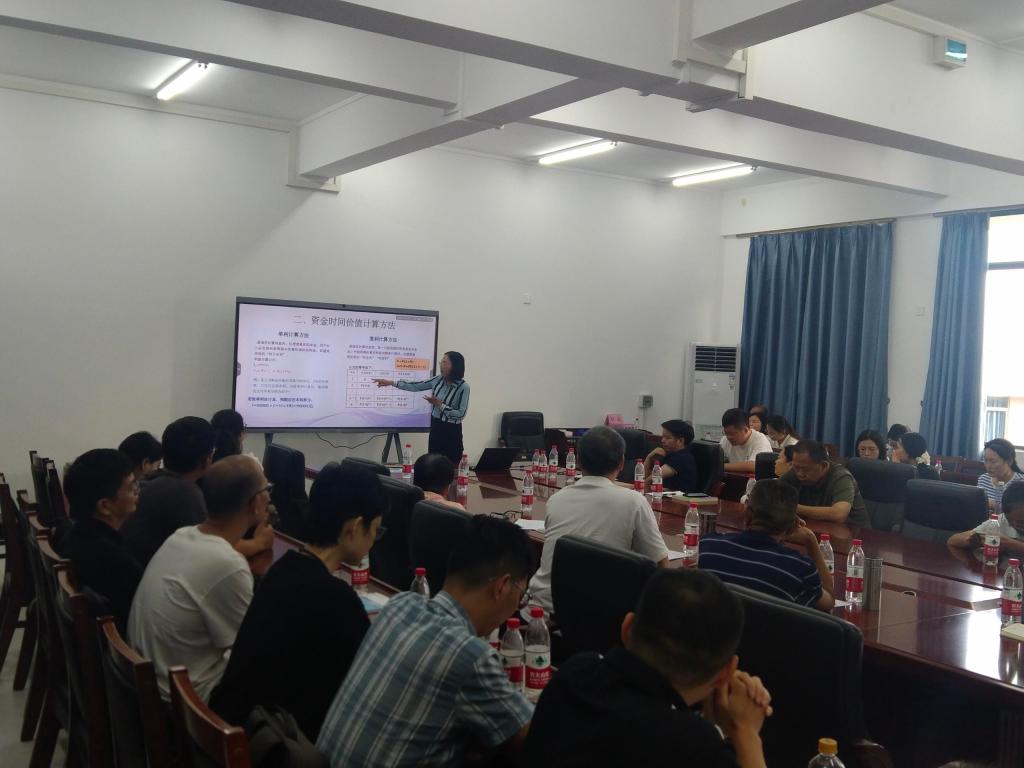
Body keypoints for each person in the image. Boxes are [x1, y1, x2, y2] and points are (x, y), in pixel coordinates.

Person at [317, 515, 535, 768]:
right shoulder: (470, 657)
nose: (517, 606)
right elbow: (534, 737)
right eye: (521, 596)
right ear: (502, 586)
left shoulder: (399, 606)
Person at [522, 569, 771, 768]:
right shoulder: (695, 747)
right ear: (726, 673)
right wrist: (745, 733)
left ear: (627, 628)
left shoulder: (575, 675)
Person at [211, 463, 387, 740]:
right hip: (270, 747)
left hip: (232, 731)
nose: (375, 539)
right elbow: (371, 683)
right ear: (354, 528)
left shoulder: (281, 569)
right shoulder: (336, 599)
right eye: (375, 529)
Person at [128, 455, 269, 700]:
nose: (269, 497)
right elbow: (251, 653)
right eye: (267, 490)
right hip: (185, 703)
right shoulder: (228, 565)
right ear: (255, 503)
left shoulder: (182, 535)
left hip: (150, 683)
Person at [530, 426, 669, 612]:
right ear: (622, 463)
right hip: (596, 619)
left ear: (578, 461)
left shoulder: (557, 499)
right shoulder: (634, 501)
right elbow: (661, 567)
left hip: (539, 611)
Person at [699, 479, 834, 611]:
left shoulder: (707, 547)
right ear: (793, 525)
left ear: (747, 514)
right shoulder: (800, 569)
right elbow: (828, 602)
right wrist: (811, 540)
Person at [56, 449, 143, 633]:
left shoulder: (73, 534)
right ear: (105, 506)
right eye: (131, 487)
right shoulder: (112, 559)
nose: (137, 491)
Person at [121, 416, 216, 567]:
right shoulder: (185, 493)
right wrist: (255, 543)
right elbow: (208, 555)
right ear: (207, 460)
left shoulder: (149, 482)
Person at [373, 351, 469, 463]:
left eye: (444, 362)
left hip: (452, 431)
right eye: (441, 362)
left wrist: (440, 404)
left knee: (451, 464)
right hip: (436, 427)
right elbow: (416, 385)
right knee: (434, 462)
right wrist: (391, 383)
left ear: (455, 366)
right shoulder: (438, 380)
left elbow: (461, 414)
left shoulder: (463, 387)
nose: (441, 365)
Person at [779, 440, 869, 527]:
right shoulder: (797, 471)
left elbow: (839, 514)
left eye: (806, 469)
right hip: (816, 527)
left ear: (824, 465)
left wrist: (794, 508)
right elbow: (772, 493)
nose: (800, 474)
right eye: (796, 467)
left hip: (855, 532)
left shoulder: (841, 477)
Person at [949, 479, 1024, 555]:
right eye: (1010, 520)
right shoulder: (999, 521)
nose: (1014, 524)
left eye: (1021, 521)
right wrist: (975, 541)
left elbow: (1011, 544)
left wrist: (1012, 545)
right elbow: (953, 541)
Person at [643, 419, 698, 492]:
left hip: (679, 498)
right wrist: (649, 457)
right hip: (666, 494)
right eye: (663, 437)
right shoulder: (670, 454)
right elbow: (645, 477)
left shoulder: (683, 458)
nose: (662, 440)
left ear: (680, 441)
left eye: (667, 438)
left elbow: (649, 480)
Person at [719, 409, 773, 474]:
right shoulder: (725, 439)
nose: (728, 437)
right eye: (726, 433)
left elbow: (754, 465)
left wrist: (721, 466)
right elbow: (716, 458)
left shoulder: (760, 440)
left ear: (745, 430)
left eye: (732, 434)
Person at [978, 438, 1024, 510]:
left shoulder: (1021, 482)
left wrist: (993, 504)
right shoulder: (983, 479)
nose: (988, 466)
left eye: (993, 461)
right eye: (985, 460)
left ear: (1009, 461)